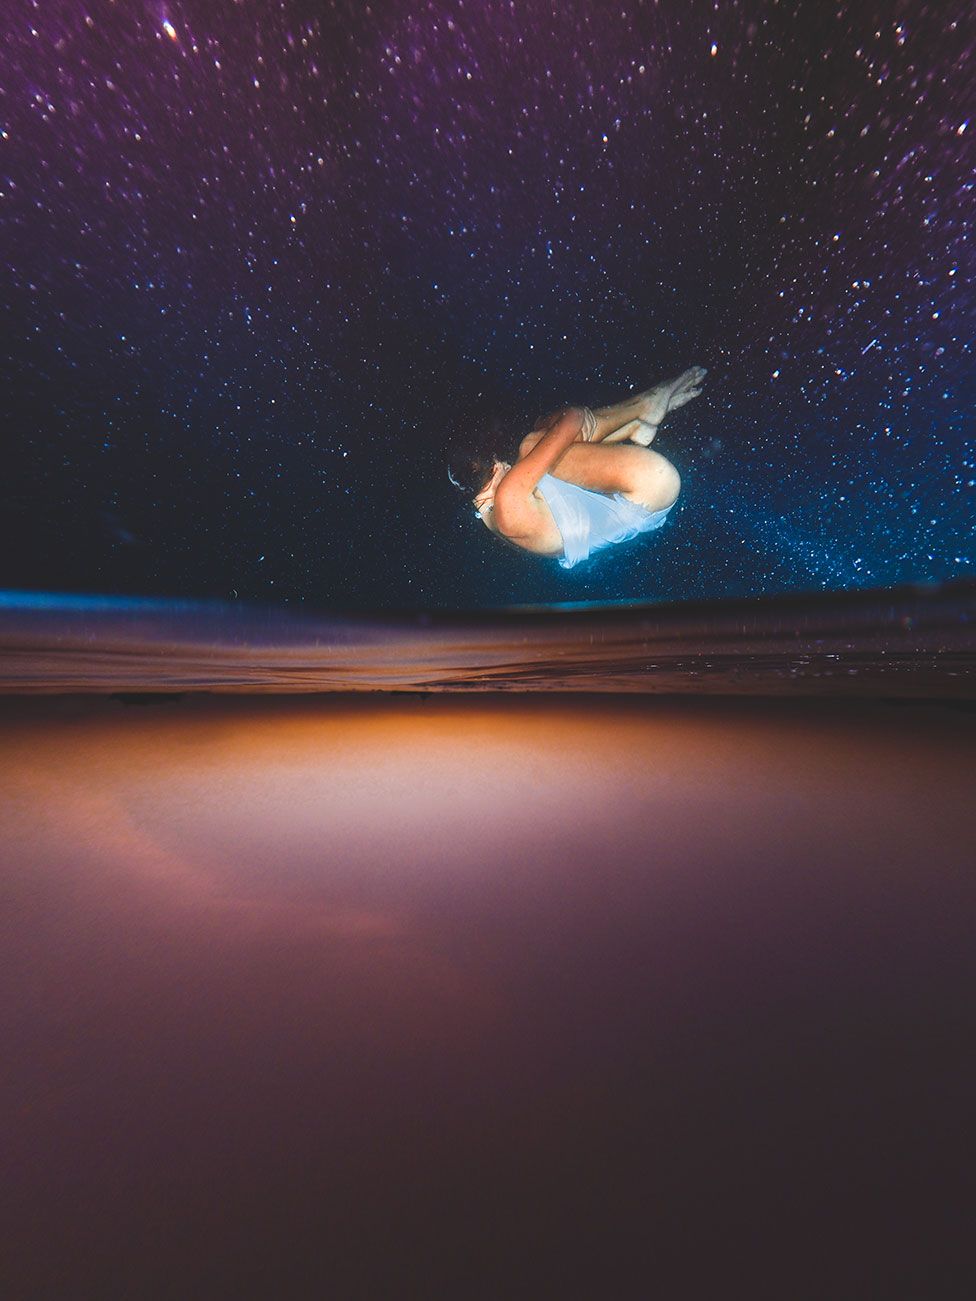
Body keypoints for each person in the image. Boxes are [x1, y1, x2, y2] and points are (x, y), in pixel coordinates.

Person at [447, 367, 706, 569]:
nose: (505, 464)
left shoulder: (495, 519)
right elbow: (574, 419)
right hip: (648, 481)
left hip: (647, 498)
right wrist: (553, 421)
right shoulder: (508, 498)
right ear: (488, 470)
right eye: (498, 462)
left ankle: (638, 421)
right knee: (531, 444)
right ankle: (645, 406)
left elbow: (573, 479)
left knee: (543, 448)